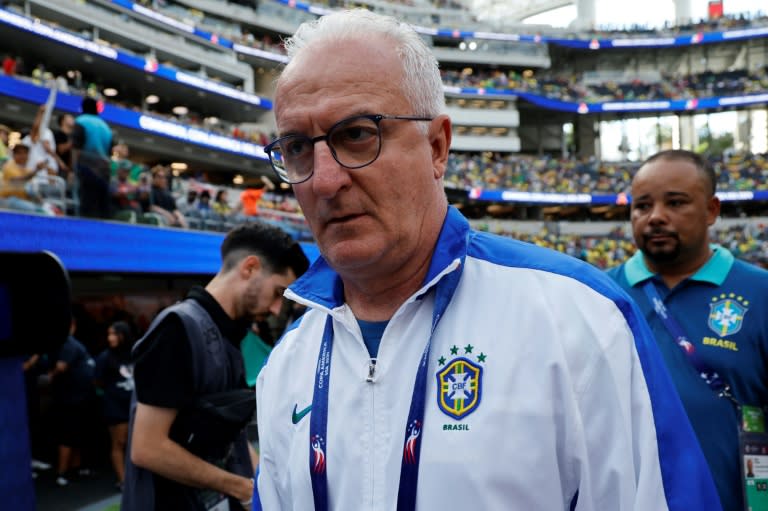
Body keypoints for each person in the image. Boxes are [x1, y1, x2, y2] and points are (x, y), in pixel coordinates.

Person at [254, 10, 721, 511]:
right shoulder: (288, 364)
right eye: (298, 147)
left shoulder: (578, 318)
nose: (324, 180)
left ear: (437, 147)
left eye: (356, 134)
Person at [607, 149, 768, 511]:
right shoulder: (599, 295)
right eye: (642, 206)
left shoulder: (760, 293)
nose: (656, 217)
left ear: (712, 210)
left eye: (676, 203)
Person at [122, 223, 309, 511]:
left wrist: (266, 484)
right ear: (250, 268)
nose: (275, 309)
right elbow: (147, 448)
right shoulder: (177, 328)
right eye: (277, 292)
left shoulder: (229, 334)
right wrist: (240, 487)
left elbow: (228, 435)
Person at [47, 320, 97, 487]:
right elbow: (60, 367)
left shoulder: (72, 343)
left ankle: (76, 468)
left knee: (77, 436)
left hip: (79, 400)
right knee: (67, 437)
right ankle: (61, 473)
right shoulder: (66, 343)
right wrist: (49, 377)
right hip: (70, 400)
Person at [94, 321, 135, 490]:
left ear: (123, 335)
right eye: (108, 334)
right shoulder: (105, 357)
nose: (110, 338)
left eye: (113, 334)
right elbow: (97, 381)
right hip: (115, 407)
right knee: (119, 442)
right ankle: (123, 481)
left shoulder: (133, 353)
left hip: (133, 405)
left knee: (133, 442)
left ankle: (133, 479)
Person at [72, 96, 113, 218]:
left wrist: (72, 169)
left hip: (87, 168)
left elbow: (76, 148)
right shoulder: (106, 127)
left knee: (87, 207)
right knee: (102, 207)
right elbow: (109, 152)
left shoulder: (81, 121)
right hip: (104, 171)